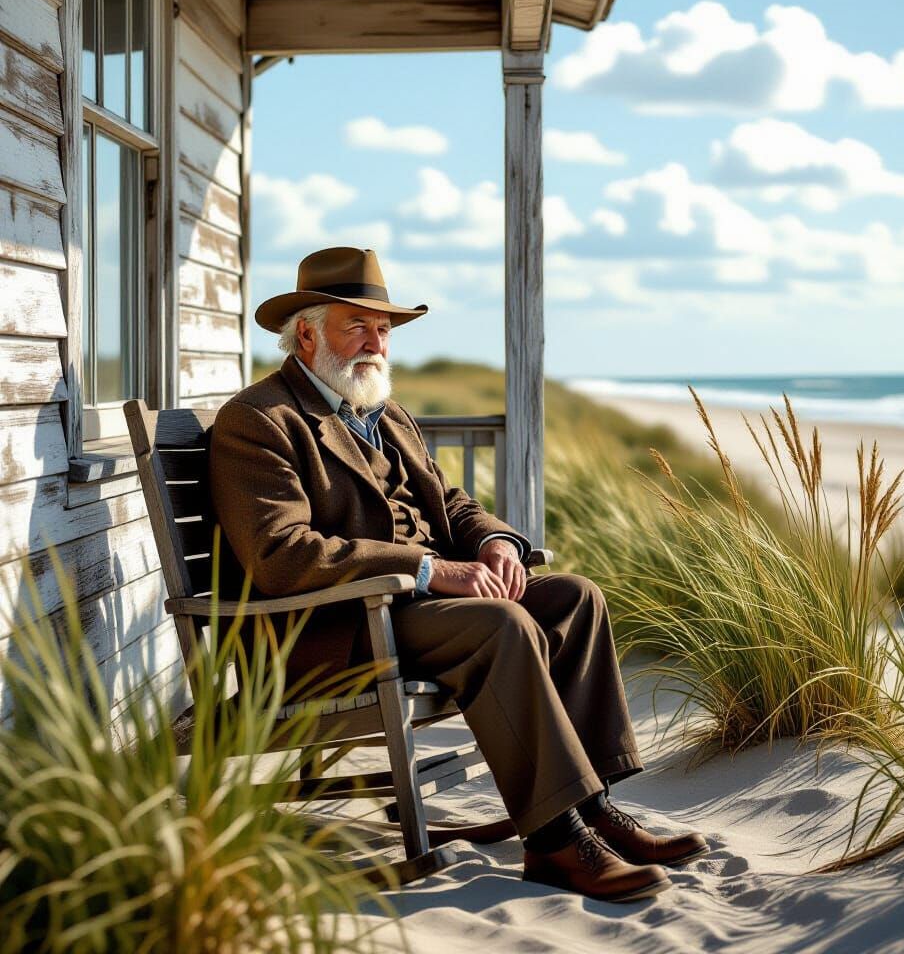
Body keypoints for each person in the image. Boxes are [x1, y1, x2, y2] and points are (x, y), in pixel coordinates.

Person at [209, 246, 708, 903]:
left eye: (383, 329)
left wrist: (496, 543)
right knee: (501, 624)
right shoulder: (259, 421)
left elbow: (450, 504)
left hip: (412, 614)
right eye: (357, 327)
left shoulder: (385, 413)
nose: (376, 344)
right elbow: (283, 554)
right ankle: (555, 841)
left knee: (574, 599)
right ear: (306, 334)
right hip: (339, 627)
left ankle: (592, 807)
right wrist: (430, 569)